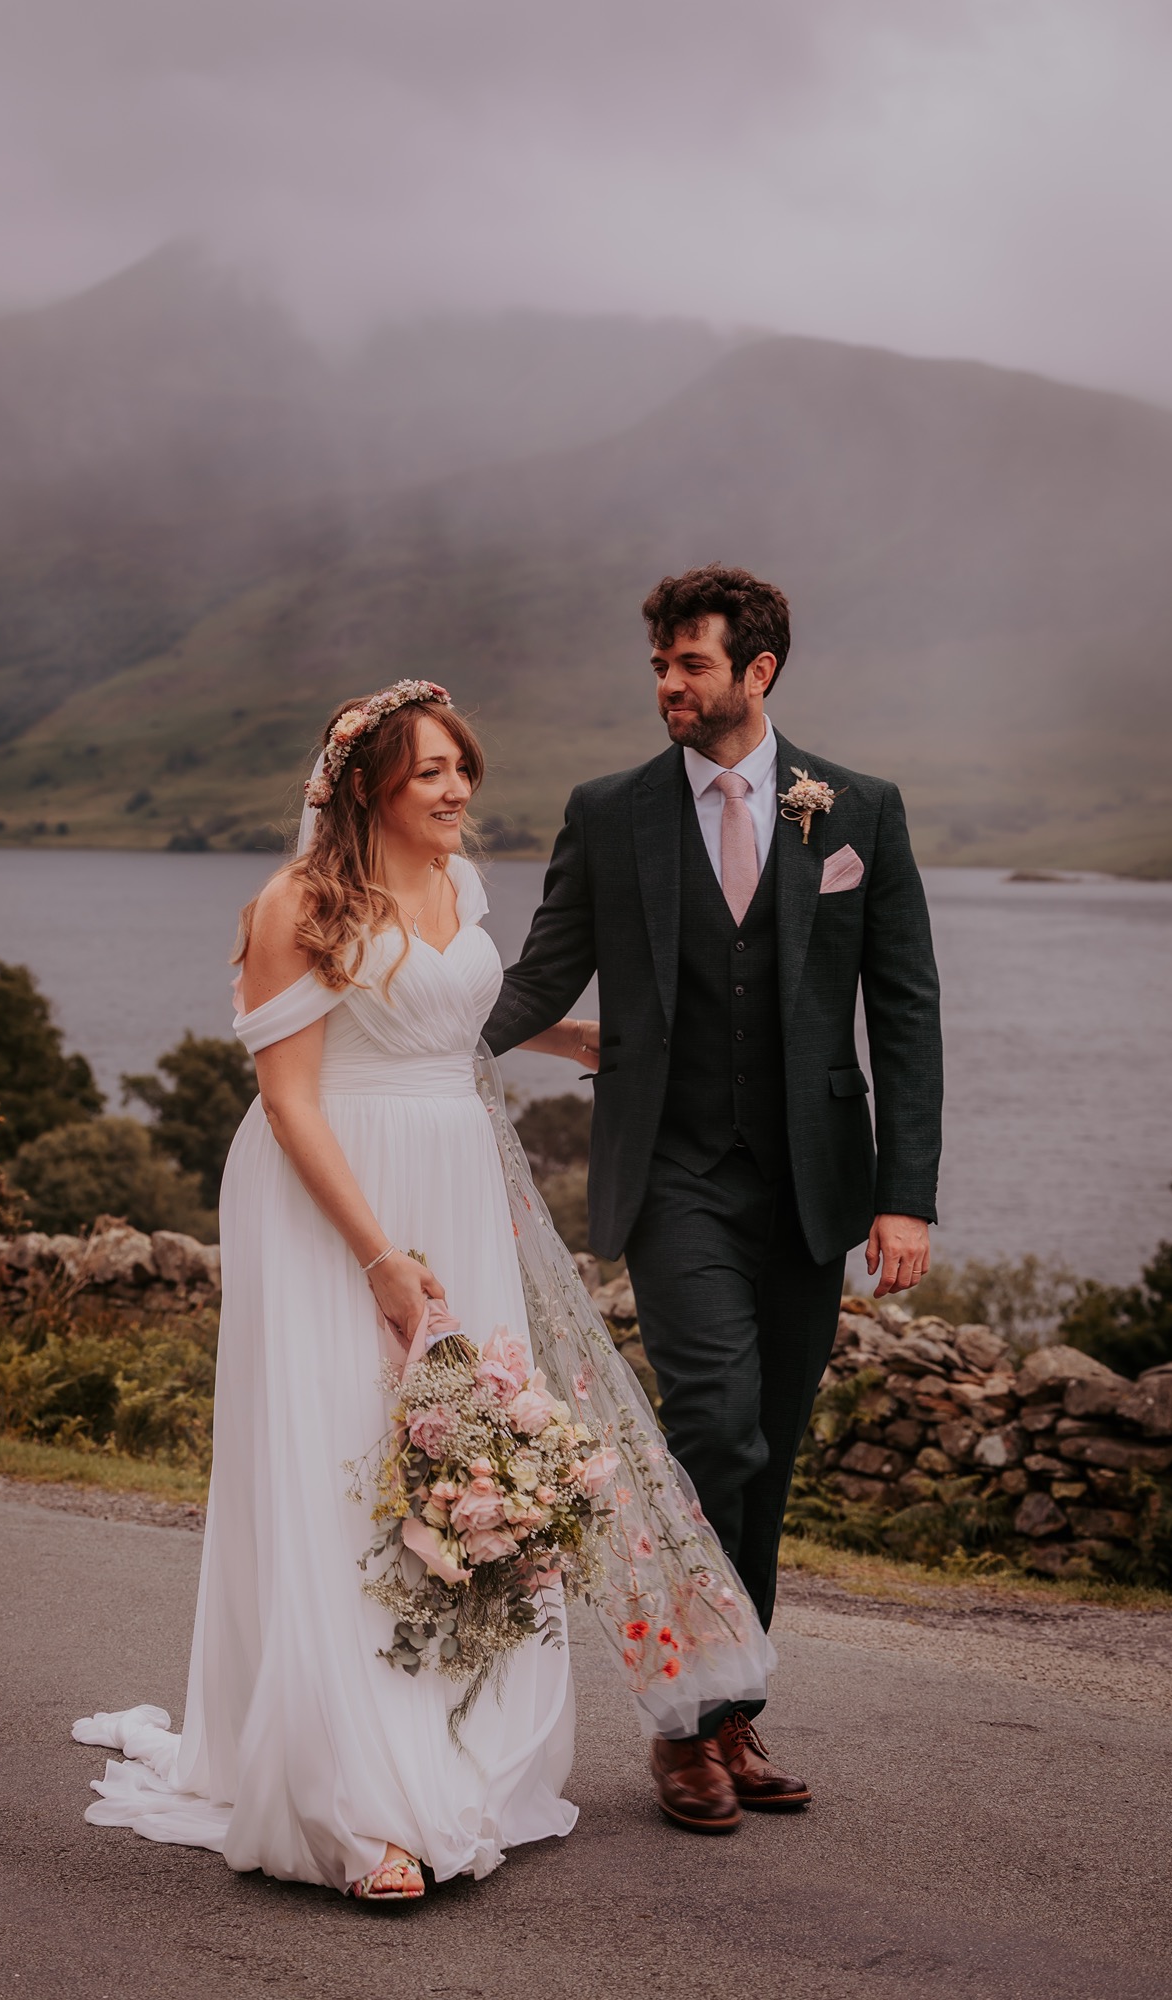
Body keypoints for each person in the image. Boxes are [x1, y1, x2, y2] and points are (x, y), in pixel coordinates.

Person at [73, 679, 773, 1897]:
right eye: (431, 774)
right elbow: (290, 1096)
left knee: (467, 1461)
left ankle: (460, 1751)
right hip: (335, 1197)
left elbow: (446, 1018)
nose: (458, 792)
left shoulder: (461, 886)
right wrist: (380, 1257)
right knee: (345, 1462)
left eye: (464, 770)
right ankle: (354, 1805)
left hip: (456, 1181)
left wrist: (576, 1042)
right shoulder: (293, 903)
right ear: (366, 790)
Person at [483, 564, 943, 1832]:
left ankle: (731, 1714)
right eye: (658, 667)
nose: (668, 687)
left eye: (689, 665)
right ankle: (680, 1729)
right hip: (674, 1173)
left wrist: (907, 1198)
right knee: (715, 1429)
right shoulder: (610, 810)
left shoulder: (857, 809)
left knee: (767, 1461)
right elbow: (540, 975)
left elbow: (902, 1012)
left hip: (810, 1187)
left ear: (758, 672)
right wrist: (420, 1042)